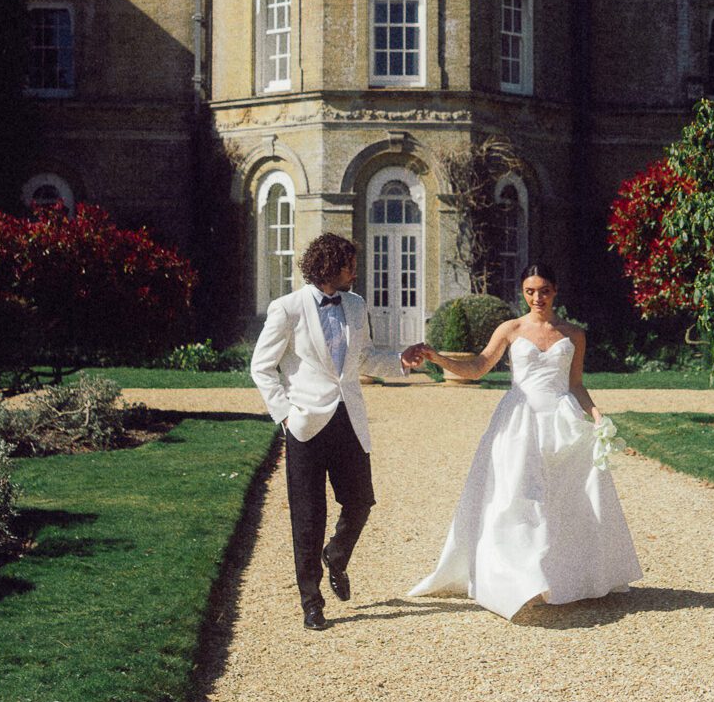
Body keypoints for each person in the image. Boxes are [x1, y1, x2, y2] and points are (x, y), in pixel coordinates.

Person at [408, 261, 642, 619]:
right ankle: (521, 580)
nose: (537, 297)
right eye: (530, 291)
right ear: (523, 292)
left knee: (569, 498)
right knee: (518, 497)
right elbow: (477, 367)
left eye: (544, 290)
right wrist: (436, 357)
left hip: (562, 421)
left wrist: (595, 415)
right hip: (519, 421)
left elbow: (575, 384)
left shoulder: (574, 334)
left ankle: (568, 577)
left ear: (555, 291)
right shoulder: (511, 329)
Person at [251, 232, 426, 631]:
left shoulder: (355, 304)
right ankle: (311, 602)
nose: (356, 271)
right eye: (349, 264)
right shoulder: (287, 308)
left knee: (361, 501)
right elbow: (262, 367)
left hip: (349, 418)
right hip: (306, 423)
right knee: (308, 517)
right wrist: (285, 414)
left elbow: (362, 357)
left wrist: (401, 360)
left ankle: (337, 555)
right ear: (329, 265)